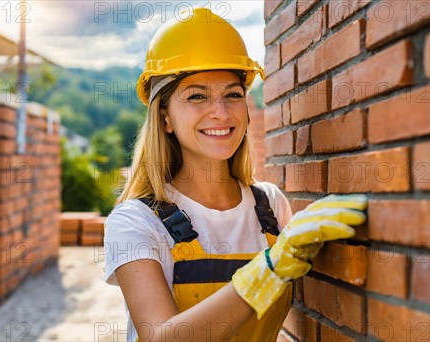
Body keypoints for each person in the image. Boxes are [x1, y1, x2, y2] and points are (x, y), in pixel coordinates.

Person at [103, 7, 367, 341]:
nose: (221, 112)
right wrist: (268, 269)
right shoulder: (135, 221)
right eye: (197, 96)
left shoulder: (269, 206)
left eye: (233, 94)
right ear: (165, 118)